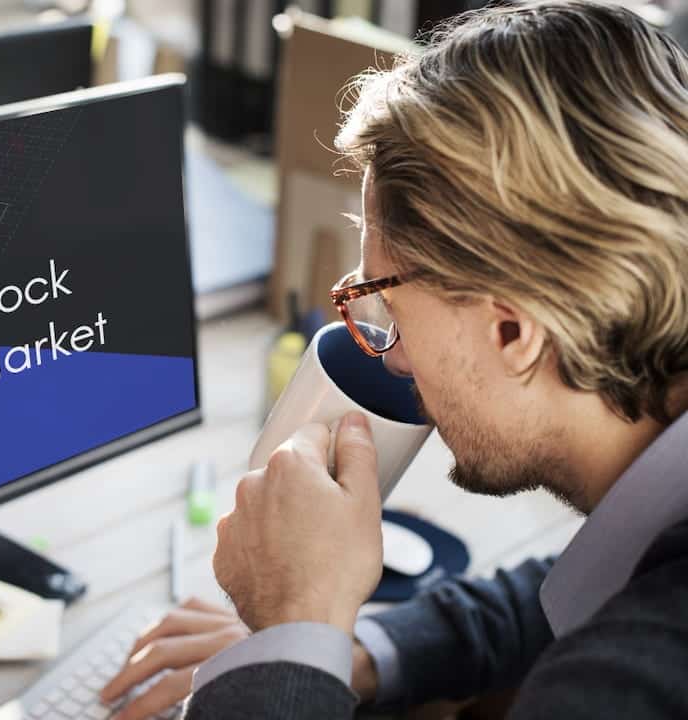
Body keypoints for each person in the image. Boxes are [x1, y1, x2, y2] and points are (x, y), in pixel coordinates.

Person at [99, 0, 688, 717]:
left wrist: (294, 622)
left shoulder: (631, 687)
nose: (394, 359)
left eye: (387, 305)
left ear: (513, 332)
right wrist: (344, 653)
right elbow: (579, 588)